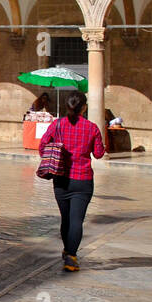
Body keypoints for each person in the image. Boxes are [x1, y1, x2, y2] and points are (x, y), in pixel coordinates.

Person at [39, 93, 105, 272]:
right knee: (77, 220)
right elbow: (99, 154)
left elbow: (42, 146)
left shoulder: (57, 125)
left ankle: (68, 250)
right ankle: (71, 256)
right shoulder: (92, 128)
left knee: (66, 218)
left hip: (61, 179)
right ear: (84, 107)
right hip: (83, 180)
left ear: (67, 106)